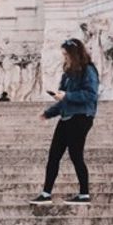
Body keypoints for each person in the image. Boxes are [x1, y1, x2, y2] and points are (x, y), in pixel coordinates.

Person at [30, 38, 99, 203]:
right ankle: (46, 193)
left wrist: (67, 95)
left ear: (74, 54)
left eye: (66, 54)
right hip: (67, 117)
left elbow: (90, 95)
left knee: (76, 155)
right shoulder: (67, 74)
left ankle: (84, 194)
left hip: (82, 117)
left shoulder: (88, 70)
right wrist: (48, 113)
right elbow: (63, 100)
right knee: (54, 155)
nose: (64, 58)